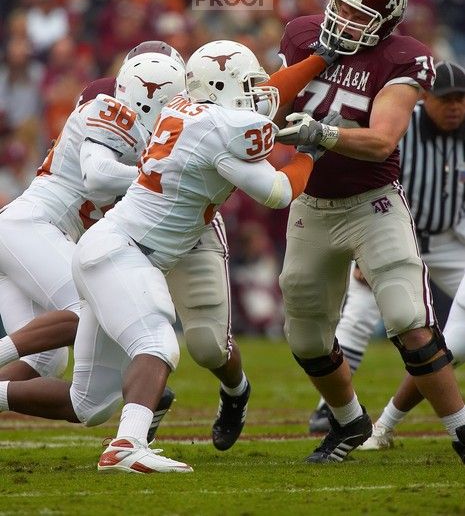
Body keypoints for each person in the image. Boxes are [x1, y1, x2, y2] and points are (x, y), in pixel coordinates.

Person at [0, 38, 338, 473]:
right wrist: (309, 155)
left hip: (105, 246)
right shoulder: (212, 125)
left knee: (88, 404)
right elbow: (275, 191)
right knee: (156, 340)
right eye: (249, 84)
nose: (260, 93)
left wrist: (315, 63)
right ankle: (128, 445)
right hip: (123, 251)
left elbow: (261, 108)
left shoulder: (190, 117)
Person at [275, 0, 465, 464]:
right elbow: (268, 110)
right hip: (312, 204)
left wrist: (323, 133)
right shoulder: (303, 35)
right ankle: (348, 421)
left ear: (385, 23)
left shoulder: (405, 59)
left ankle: (462, 432)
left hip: (371, 203)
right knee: (306, 333)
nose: (340, 19)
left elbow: (382, 141)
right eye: (339, 5)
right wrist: (312, 64)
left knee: (408, 317)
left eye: (356, 14)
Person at [0, 48, 186, 439]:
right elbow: (98, 176)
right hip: (32, 225)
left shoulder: (146, 135)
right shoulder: (110, 113)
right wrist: (152, 173)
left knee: (49, 364)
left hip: (32, 237)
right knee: (90, 307)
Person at [307, 60, 465, 447]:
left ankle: (388, 421)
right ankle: (330, 407)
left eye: (462, 99)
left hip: (446, 240)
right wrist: (365, 246)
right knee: (359, 316)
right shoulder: (402, 125)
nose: (455, 107)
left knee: (455, 339)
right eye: (446, 100)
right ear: (424, 98)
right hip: (390, 234)